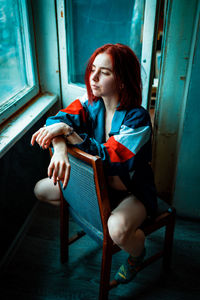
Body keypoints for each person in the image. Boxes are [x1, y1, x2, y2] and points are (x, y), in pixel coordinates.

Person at [31, 43, 157, 284]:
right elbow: (55, 121)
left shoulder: (138, 118)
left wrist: (67, 132)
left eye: (105, 73)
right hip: (97, 187)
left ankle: (137, 254)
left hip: (132, 191)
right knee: (41, 189)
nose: (93, 78)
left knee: (118, 230)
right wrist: (59, 148)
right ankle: (95, 214)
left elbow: (109, 158)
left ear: (122, 81)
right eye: (92, 69)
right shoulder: (90, 103)